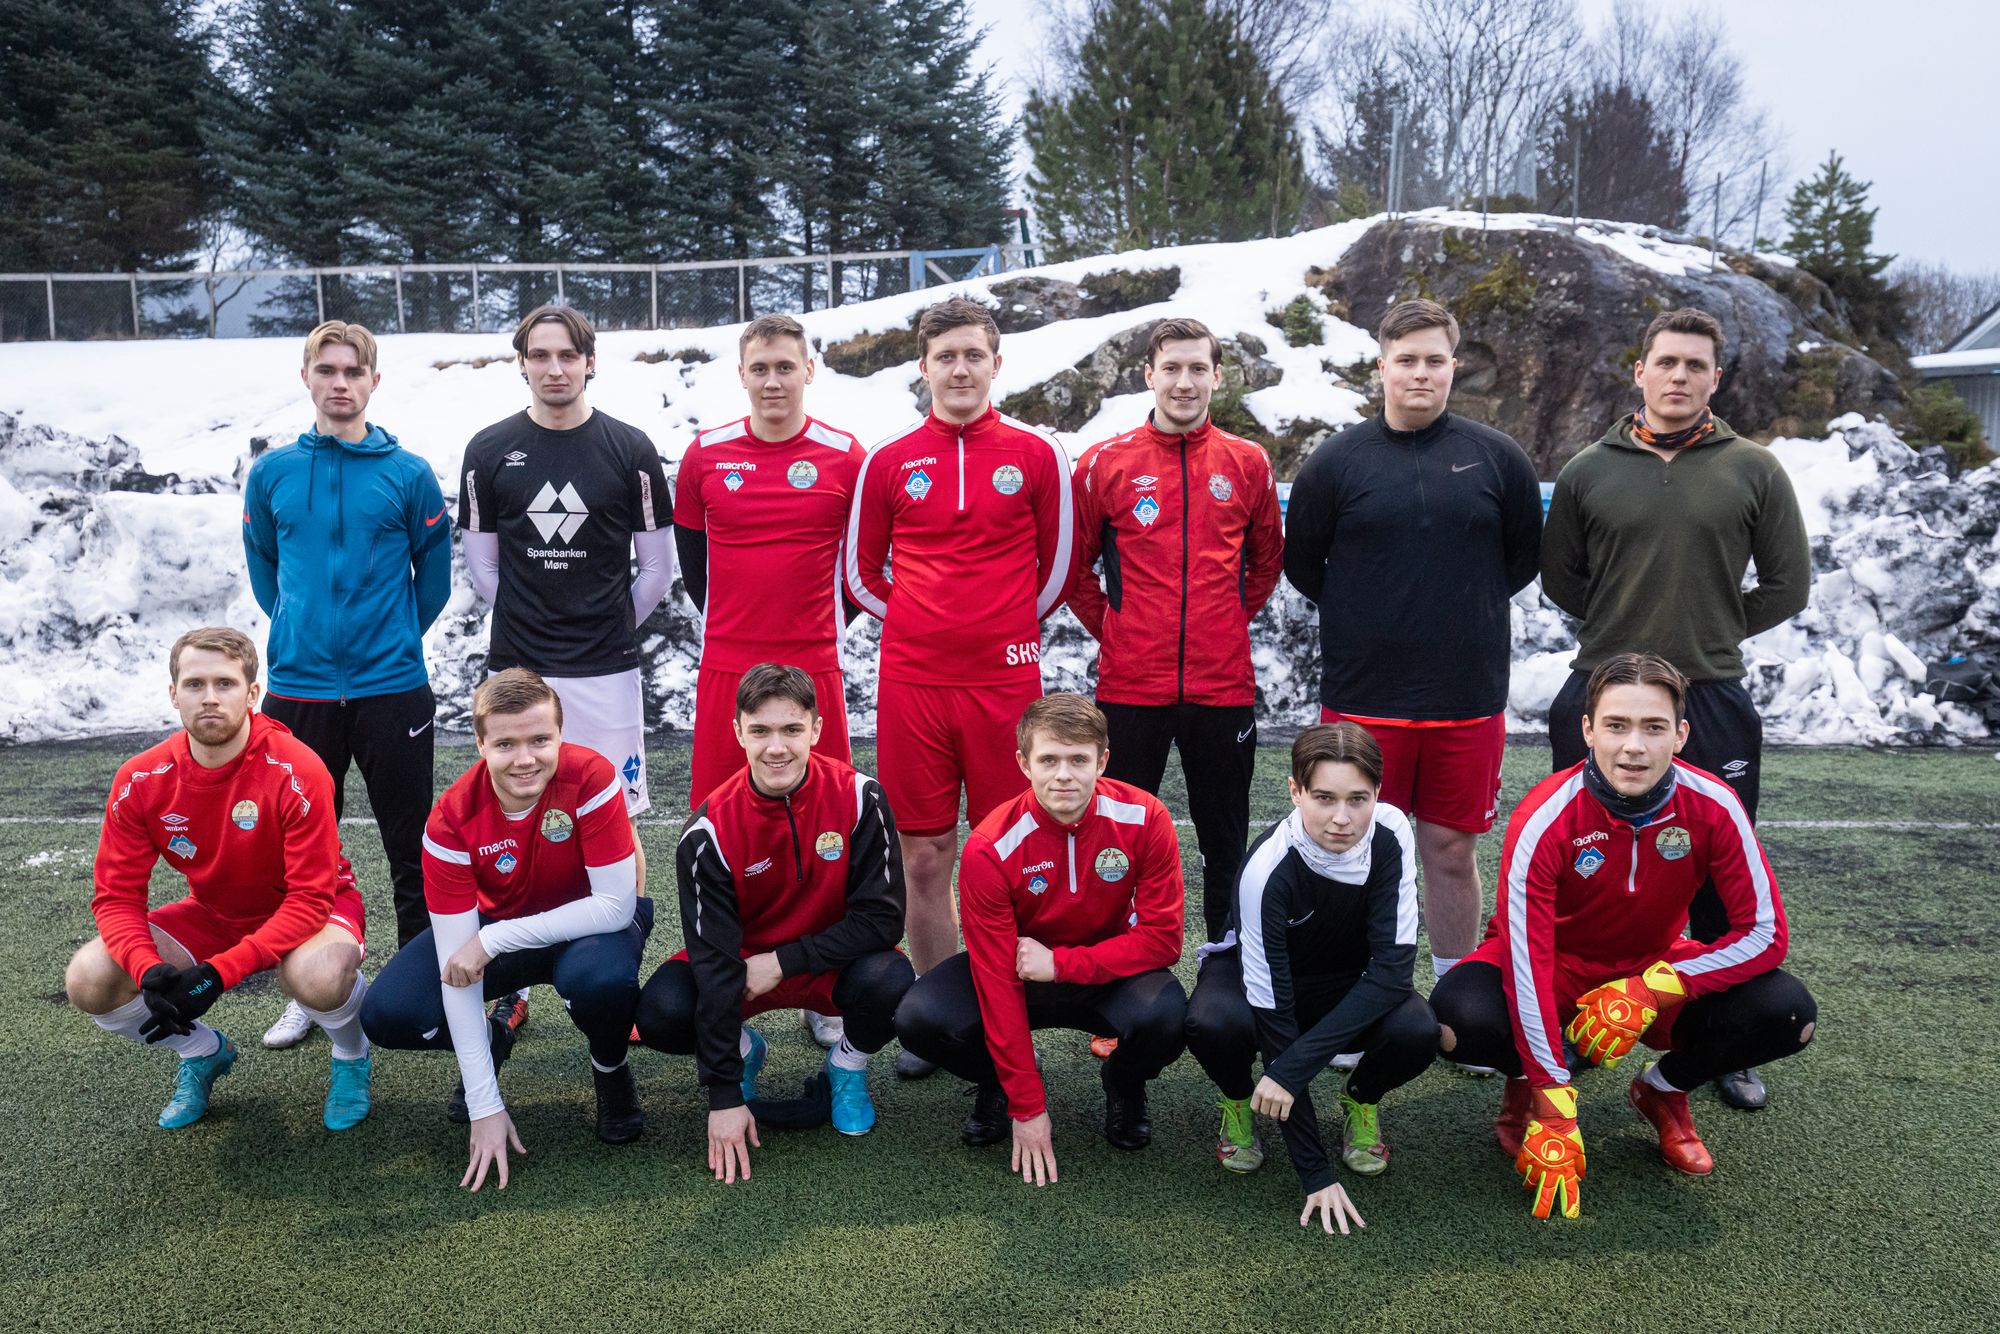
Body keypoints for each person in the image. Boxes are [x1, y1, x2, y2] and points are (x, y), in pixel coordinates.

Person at [1429, 653, 1817, 1221]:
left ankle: (1663, 1090)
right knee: (1458, 1018)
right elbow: (1527, 957)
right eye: (1616, 725)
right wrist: (1552, 1097)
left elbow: (1764, 935)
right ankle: (1524, 1089)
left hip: (1651, 966)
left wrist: (1655, 987)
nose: (1634, 746)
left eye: (1653, 727)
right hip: (1554, 969)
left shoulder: (1715, 805)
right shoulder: (1544, 818)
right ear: (1588, 730)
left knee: (1787, 1012)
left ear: (1680, 735)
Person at [1540, 306, 1811, 1110]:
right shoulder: (1591, 467)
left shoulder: (1754, 468)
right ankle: (1570, 1020)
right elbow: (1562, 579)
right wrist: (1626, 643)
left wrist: (1715, 631)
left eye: (1697, 365)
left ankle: (1718, 1042)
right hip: (1600, 685)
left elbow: (1787, 585)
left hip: (1713, 694)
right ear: (1640, 370)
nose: (1680, 376)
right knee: (1581, 860)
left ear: (1715, 378)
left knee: (1720, 879)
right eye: (1667, 362)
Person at [1283, 299, 1542, 1004]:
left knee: (1450, 853)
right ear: (1382, 369)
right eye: (1406, 360)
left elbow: (1519, 560)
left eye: (1434, 360)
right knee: (1352, 852)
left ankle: (1457, 997)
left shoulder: (1497, 457)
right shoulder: (1338, 462)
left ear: (1452, 368)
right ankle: (1356, 994)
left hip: (1466, 699)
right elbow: (1306, 566)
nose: (1420, 373)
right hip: (1366, 700)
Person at [844, 296, 1075, 1076]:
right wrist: (918, 626)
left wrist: (1004, 630)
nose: (961, 367)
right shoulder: (890, 459)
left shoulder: (1038, 455)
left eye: (974, 353)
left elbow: (1060, 567)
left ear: (996, 362)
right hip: (914, 683)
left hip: (1008, 686)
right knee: (925, 855)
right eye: (946, 355)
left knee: (1012, 848)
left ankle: (1017, 1007)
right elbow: (861, 571)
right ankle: (942, 1018)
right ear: (924, 367)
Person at [458, 304, 673, 1033]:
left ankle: (613, 979)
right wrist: (533, 628)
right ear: (521, 361)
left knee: (618, 822)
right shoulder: (489, 450)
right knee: (506, 821)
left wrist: (600, 629)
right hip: (518, 672)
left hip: (605, 671)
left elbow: (655, 573)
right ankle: (509, 983)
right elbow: (483, 566)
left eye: (567, 355)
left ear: (590, 361)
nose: (554, 368)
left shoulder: (630, 449)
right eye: (539, 355)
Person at [64, 627, 372, 1132]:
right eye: (195, 684)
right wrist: (146, 970)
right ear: (173, 693)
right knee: (90, 978)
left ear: (252, 694)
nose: (209, 697)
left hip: (313, 910)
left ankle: (351, 1055)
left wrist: (218, 973)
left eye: (226, 684)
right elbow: (116, 897)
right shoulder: (141, 779)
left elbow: (310, 900)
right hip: (215, 913)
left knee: (314, 976)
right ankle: (202, 1052)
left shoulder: (298, 769)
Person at [243, 319, 452, 1052]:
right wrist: (300, 634)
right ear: (307, 378)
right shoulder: (270, 473)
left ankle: (423, 987)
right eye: (326, 370)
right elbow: (265, 569)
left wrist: (388, 641)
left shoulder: (409, 473)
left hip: (392, 686)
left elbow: (435, 578)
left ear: (373, 381)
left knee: (411, 841)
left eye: (352, 371)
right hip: (297, 691)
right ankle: (308, 983)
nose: (340, 382)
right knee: (302, 848)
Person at [360, 670, 651, 1191]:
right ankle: (493, 1042)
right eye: (506, 743)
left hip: (587, 928)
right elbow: (458, 971)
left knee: (602, 982)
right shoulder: (450, 821)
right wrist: (484, 1104)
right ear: (480, 744)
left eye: (540, 740)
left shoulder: (592, 775)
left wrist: (493, 940)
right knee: (387, 1015)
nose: (525, 758)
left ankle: (610, 1069)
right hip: (499, 927)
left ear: (561, 734)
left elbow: (614, 906)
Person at [636, 663, 913, 1182]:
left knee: (893, 982)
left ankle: (846, 1067)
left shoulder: (860, 797)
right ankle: (743, 1052)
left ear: (817, 729)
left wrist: (785, 961)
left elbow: (883, 920)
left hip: (829, 962)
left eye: (791, 729)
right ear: (738, 732)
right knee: (661, 1012)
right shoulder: (708, 830)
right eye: (760, 731)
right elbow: (714, 962)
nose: (776, 747)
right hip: (741, 970)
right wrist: (722, 1092)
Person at [894, 694, 1186, 1185]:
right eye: (1049, 760)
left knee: (1168, 1016)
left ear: (1103, 761)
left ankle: (1124, 1082)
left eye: (1078, 760)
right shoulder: (991, 846)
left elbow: (1162, 941)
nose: (1064, 776)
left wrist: (1063, 964)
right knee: (919, 1018)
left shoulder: (1146, 818)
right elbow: (994, 979)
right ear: (1023, 764)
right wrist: (1027, 1107)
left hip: (1104, 973)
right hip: (1018, 972)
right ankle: (997, 1086)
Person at [677, 313, 867, 1051]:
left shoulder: (846, 456)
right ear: (742, 373)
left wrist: (816, 631)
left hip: (814, 663)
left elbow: (860, 567)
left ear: (808, 370)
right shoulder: (706, 455)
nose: (773, 381)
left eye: (786, 367)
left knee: (829, 829)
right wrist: (738, 627)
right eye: (760, 368)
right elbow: (696, 568)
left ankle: (825, 989)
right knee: (718, 830)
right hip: (729, 665)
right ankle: (729, 988)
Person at [1068, 316, 1284, 950]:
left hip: (1222, 691)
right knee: (1120, 839)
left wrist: (1222, 624)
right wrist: (1118, 629)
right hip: (1131, 687)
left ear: (1217, 376)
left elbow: (1267, 560)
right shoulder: (1106, 462)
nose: (1184, 382)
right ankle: (1120, 976)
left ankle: (1230, 966)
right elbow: (1075, 568)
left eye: (1197, 369)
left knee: (1226, 840)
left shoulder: (1247, 462)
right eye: (1171, 368)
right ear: (1149, 375)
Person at [1184, 723, 1435, 1235]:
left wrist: (1290, 1069)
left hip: (1348, 979)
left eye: (1357, 799)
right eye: (1323, 797)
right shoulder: (1267, 870)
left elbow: (1391, 975)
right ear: (1295, 791)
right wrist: (1314, 1174)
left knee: (1418, 1030)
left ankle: (1361, 1102)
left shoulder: (1392, 833)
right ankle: (1238, 1099)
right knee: (1211, 1022)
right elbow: (1274, 1015)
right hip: (1267, 984)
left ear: (1378, 795)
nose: (1342, 818)